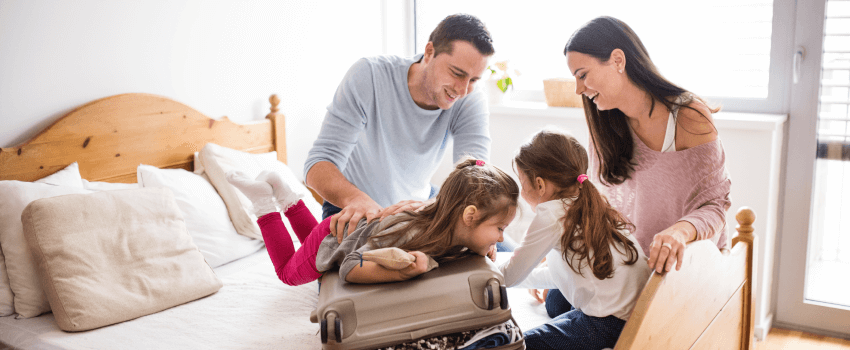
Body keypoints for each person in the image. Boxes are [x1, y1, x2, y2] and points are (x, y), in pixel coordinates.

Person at [536, 15, 733, 323]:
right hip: (629, 263)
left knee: (568, 318)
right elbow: (599, 205)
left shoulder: (688, 115)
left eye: (583, 74)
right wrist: (562, 270)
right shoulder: (605, 124)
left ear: (617, 60)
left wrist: (680, 232)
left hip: (678, 262)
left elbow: (715, 206)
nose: (578, 89)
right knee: (556, 304)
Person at [304, 13, 497, 243]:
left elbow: (475, 176)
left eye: (474, 80)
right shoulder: (369, 76)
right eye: (457, 73)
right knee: (354, 273)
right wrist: (356, 198)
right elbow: (317, 164)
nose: (463, 90)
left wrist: (433, 208)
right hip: (354, 206)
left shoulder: (469, 99)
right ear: (429, 52)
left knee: (502, 256)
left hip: (424, 205)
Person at [226, 157, 517, 286]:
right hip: (338, 238)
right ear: (468, 216)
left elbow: (468, 247)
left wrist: (484, 247)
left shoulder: (452, 230)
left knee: (313, 242)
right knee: (290, 273)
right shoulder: (411, 234)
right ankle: (264, 202)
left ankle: (285, 193)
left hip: (336, 233)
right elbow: (350, 266)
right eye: (500, 228)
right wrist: (403, 272)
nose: (502, 239)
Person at [498, 130, 651, 349]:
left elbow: (510, 275)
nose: (522, 192)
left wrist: (481, 274)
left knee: (521, 344)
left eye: (523, 183)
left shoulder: (551, 214)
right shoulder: (590, 200)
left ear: (540, 185)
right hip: (636, 312)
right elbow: (570, 271)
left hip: (609, 323)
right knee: (554, 301)